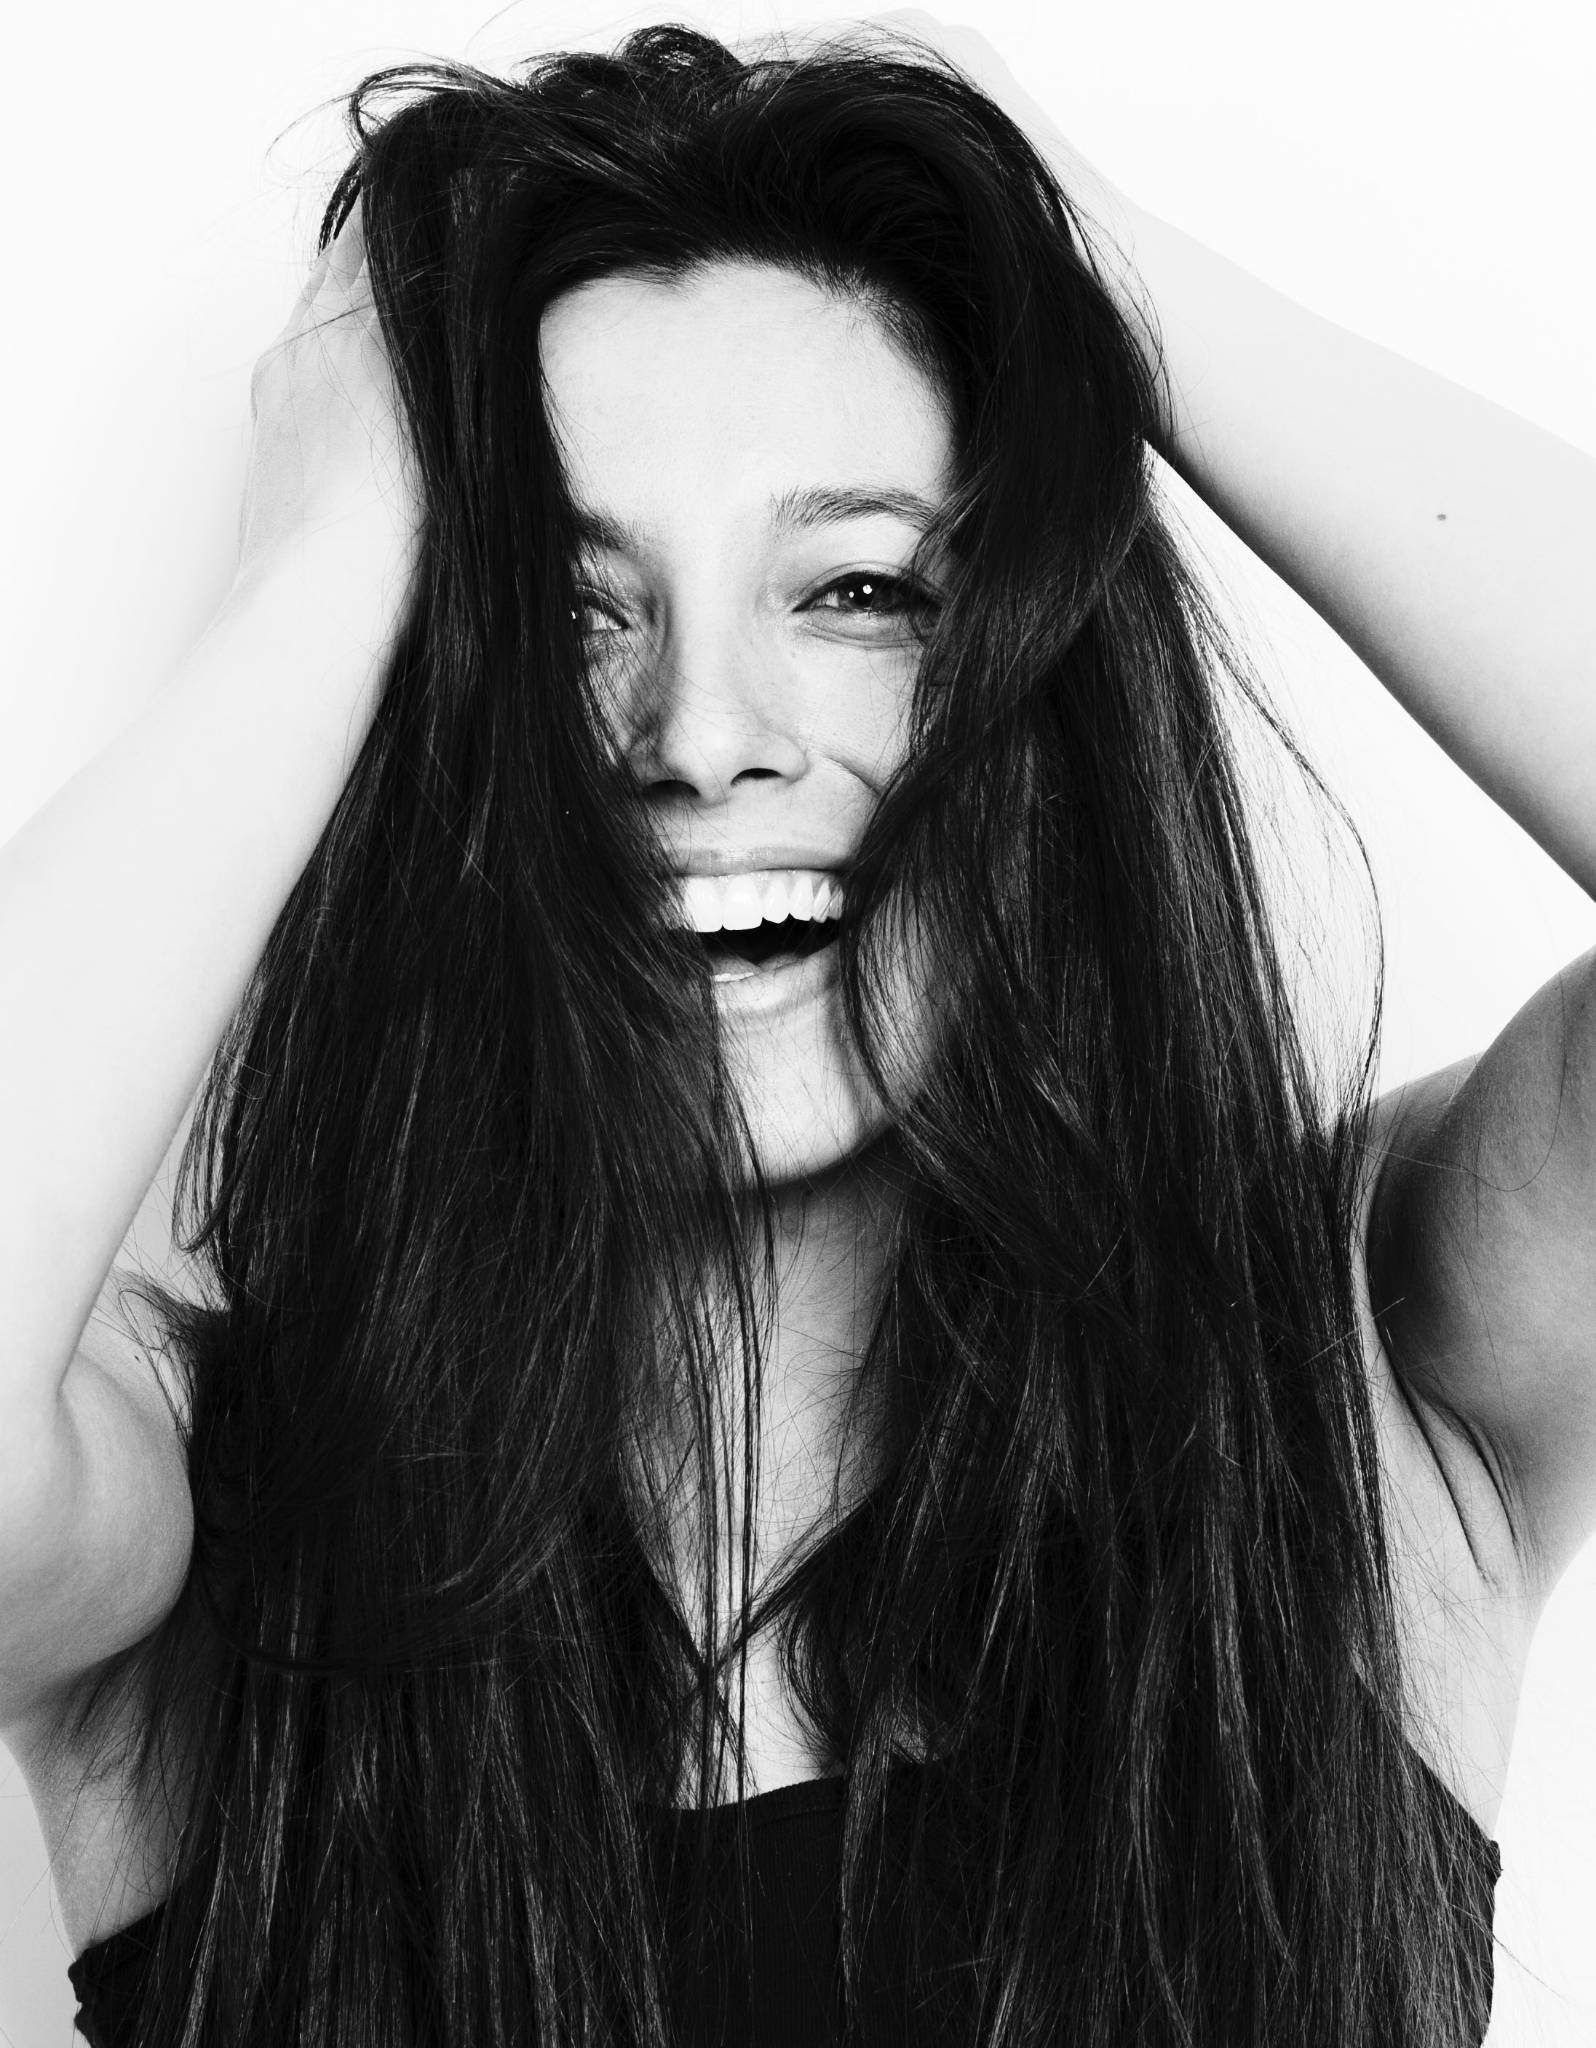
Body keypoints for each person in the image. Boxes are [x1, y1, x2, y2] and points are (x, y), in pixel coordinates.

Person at [1, 14, 1590, 2045]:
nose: (701, 735)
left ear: (1038, 704)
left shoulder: (1360, 1391)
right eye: (566, 611)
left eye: (855, 592)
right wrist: (324, 563)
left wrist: (1092, 278)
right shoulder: (189, 1533)